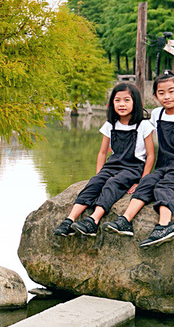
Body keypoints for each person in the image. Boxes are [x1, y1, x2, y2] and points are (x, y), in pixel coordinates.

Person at [105, 71, 174, 247]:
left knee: (164, 186)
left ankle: (165, 226)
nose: (166, 97)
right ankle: (125, 220)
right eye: (161, 93)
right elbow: (139, 130)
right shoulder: (156, 114)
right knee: (147, 181)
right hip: (164, 164)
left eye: (171, 91)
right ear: (155, 96)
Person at [54, 83, 155, 237]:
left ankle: (93, 220)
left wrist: (141, 181)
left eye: (127, 100)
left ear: (135, 102)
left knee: (112, 183)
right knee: (95, 183)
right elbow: (102, 153)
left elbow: (151, 156)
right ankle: (69, 219)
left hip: (133, 168)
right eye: (117, 100)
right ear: (112, 103)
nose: (122, 104)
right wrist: (99, 174)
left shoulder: (144, 125)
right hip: (112, 165)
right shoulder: (110, 125)